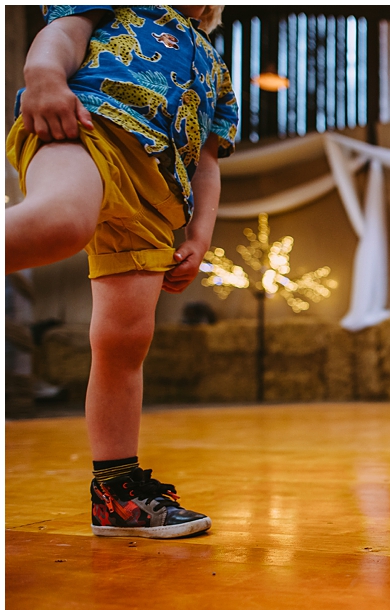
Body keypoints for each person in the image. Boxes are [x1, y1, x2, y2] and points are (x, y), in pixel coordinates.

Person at [5, 6, 238, 539]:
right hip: (86, 126)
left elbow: (207, 161)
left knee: (125, 340)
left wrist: (199, 235)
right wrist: (42, 77)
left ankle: (115, 490)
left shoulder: (217, 68)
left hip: (157, 198)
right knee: (60, 222)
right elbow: (63, 32)